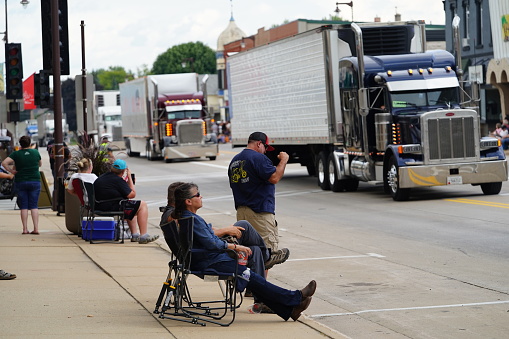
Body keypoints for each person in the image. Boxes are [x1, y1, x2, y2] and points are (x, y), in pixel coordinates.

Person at [171, 182, 316, 321]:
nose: (201, 197)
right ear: (188, 201)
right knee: (252, 277)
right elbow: (211, 243)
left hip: (210, 259)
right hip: (211, 263)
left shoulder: (189, 218)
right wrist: (236, 247)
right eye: (198, 195)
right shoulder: (191, 219)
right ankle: (295, 297)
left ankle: (290, 311)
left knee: (253, 255)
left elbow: (208, 236)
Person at [160, 181, 270, 279]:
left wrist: (225, 230)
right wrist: (231, 241)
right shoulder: (181, 218)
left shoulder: (180, 216)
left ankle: (256, 290)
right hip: (211, 256)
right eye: (197, 195)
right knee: (244, 225)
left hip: (204, 253)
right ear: (186, 200)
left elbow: (201, 234)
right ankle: (268, 258)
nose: (201, 197)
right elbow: (209, 241)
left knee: (254, 249)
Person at [228, 131, 290, 270]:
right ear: (259, 144)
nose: (266, 151)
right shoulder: (258, 158)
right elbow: (274, 178)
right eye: (266, 147)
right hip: (259, 212)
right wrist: (284, 160)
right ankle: (261, 288)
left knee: (251, 252)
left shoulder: (235, 161)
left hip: (242, 212)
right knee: (267, 254)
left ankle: (251, 287)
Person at [94, 159, 159, 244]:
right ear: (124, 171)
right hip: (110, 207)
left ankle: (135, 235)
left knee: (133, 206)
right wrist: (129, 179)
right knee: (142, 205)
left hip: (99, 205)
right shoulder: (118, 180)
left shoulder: (103, 177)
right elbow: (132, 194)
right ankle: (143, 235)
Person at [2, 136, 42, 235]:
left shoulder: (16, 154)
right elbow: (40, 164)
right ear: (30, 143)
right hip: (35, 181)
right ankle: (36, 228)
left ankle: (25, 229)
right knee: (34, 206)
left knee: (23, 206)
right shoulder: (35, 152)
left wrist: (11, 171)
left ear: (20, 144)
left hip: (21, 181)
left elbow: (4, 163)